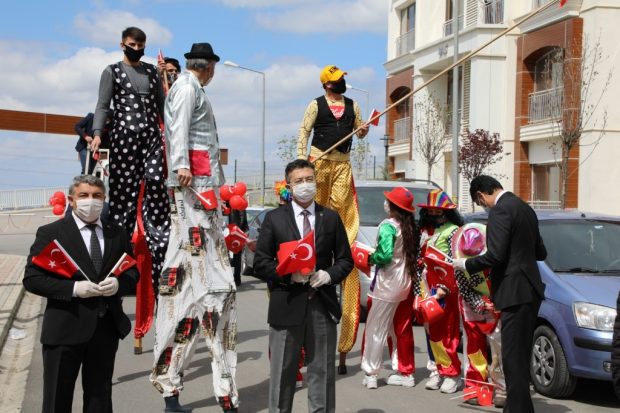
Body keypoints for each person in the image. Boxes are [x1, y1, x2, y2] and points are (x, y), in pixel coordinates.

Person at [149, 43, 238, 413]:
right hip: (193, 183)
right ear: (210, 66)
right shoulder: (187, 88)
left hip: (202, 184)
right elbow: (177, 128)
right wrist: (182, 164)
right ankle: (206, 391)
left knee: (191, 288)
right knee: (207, 279)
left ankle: (179, 390)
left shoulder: (191, 87)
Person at [23, 175, 139, 413]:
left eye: (97, 196)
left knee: (100, 398)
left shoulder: (117, 233)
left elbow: (132, 271)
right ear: (71, 200)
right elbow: (32, 279)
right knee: (57, 399)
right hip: (64, 329)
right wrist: (73, 289)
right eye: (84, 195)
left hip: (105, 329)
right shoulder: (50, 232)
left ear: (104, 199)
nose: (91, 201)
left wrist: (119, 285)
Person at [254, 159, 353, 413]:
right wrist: (287, 275)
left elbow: (345, 260)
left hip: (322, 305)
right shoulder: (274, 219)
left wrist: (328, 275)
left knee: (322, 373)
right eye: (299, 181)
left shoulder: (330, 218)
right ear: (289, 185)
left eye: (309, 179)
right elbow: (261, 262)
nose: (305, 185)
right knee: (282, 375)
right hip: (286, 304)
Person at [453, 175, 547, 413]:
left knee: (512, 358)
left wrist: (466, 264)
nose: (483, 206)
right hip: (530, 289)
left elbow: (495, 255)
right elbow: (541, 252)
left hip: (514, 291)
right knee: (519, 355)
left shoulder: (500, 211)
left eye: (480, 202)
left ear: (480, 195)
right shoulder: (525, 208)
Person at [296, 65, 369, 374]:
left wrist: (363, 130)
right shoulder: (315, 104)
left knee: (337, 211)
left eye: (343, 81)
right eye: (337, 81)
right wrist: (302, 160)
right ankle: (315, 239)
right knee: (318, 207)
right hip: (320, 159)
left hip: (342, 163)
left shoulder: (353, 106)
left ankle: (338, 239)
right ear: (328, 84)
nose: (341, 85)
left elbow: (361, 127)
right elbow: (304, 130)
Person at [91, 26, 169, 288]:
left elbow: (162, 106)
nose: (137, 49)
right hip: (124, 137)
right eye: (132, 45)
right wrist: (98, 133)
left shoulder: (150, 72)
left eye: (141, 45)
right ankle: (118, 261)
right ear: (122, 44)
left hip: (150, 137)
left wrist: (172, 133)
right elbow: (102, 105)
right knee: (123, 196)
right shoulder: (111, 71)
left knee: (156, 185)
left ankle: (159, 254)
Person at [360, 187, 418, 389]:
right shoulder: (409, 226)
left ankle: (371, 373)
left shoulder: (387, 226)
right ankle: (405, 371)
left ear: (393, 206)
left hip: (386, 285)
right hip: (404, 283)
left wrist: (369, 257)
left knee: (376, 328)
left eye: (388, 200)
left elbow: (383, 256)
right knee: (401, 329)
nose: (385, 203)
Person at [415, 189, 464, 394]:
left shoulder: (454, 231)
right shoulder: (425, 231)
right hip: (427, 286)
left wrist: (446, 286)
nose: (434, 215)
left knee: (449, 331)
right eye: (431, 211)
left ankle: (453, 373)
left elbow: (456, 261)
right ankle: (439, 369)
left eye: (439, 212)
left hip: (448, 288)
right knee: (432, 331)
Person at [228, 205, 248, 286]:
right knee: (232, 256)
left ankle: (236, 278)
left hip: (235, 231)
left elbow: (242, 218)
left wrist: (237, 231)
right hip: (230, 230)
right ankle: (233, 278)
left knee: (237, 256)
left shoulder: (237, 201)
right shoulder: (228, 201)